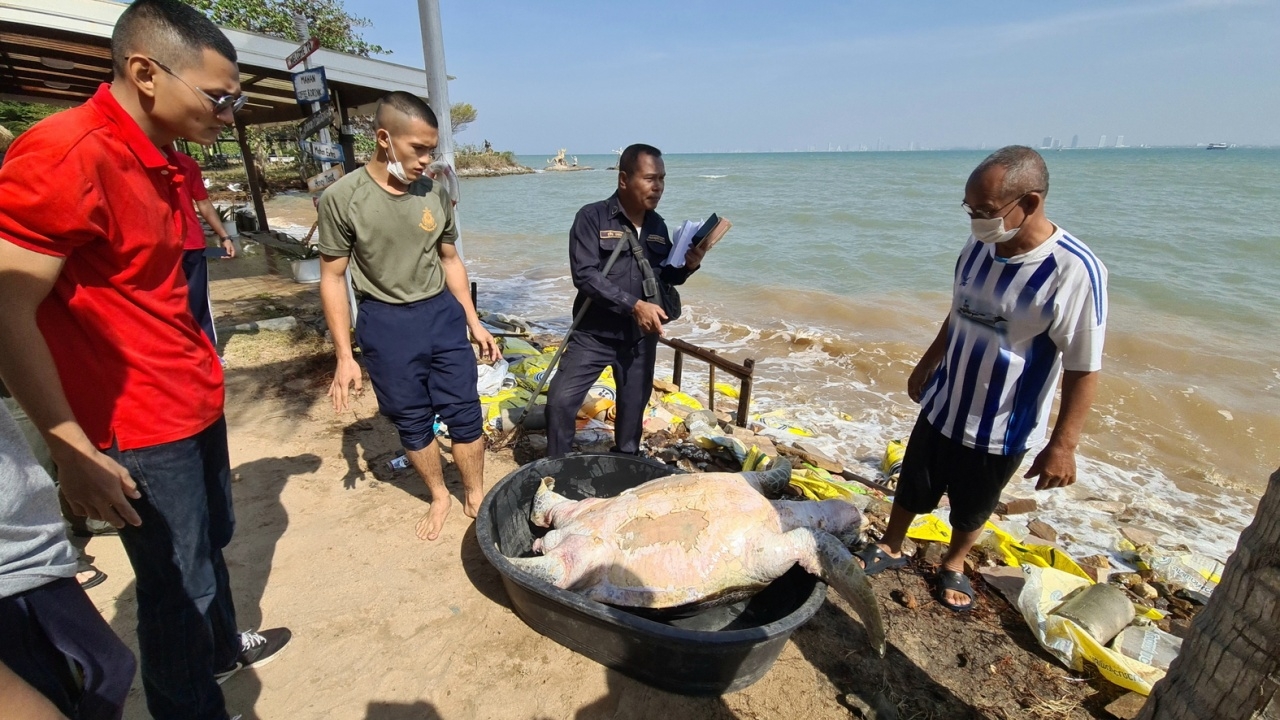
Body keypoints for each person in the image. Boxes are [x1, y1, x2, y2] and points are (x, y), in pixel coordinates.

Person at [0, 2, 290, 718]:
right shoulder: (68, 154)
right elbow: (7, 307)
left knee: (209, 547)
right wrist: (70, 448)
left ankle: (221, 650)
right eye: (219, 96)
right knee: (175, 592)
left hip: (194, 399)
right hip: (138, 425)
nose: (230, 112)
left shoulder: (169, 161)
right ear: (145, 73)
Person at [855, 146, 1108, 612]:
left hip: (1002, 423)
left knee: (975, 503)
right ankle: (892, 545)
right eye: (970, 210)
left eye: (986, 211)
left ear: (1029, 203)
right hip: (945, 399)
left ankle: (953, 564)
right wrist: (929, 360)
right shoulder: (979, 246)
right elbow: (959, 310)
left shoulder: (1073, 271)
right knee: (915, 480)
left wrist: (1064, 445)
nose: (976, 221)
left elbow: (1083, 364)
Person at [318, 91, 499, 542]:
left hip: (440, 314)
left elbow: (451, 260)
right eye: (418, 149)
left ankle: (474, 493)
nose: (426, 160)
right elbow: (332, 276)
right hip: (386, 323)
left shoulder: (434, 193)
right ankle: (439, 494)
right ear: (384, 139)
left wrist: (473, 322)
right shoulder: (343, 199)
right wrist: (344, 354)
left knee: (465, 411)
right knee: (413, 419)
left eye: (431, 150)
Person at [546, 144, 715, 458]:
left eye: (662, 179)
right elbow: (584, 275)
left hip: (638, 339)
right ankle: (556, 467)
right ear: (624, 179)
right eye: (650, 178)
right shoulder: (591, 217)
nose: (658, 187)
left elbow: (664, 277)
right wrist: (633, 305)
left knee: (632, 409)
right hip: (593, 333)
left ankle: (624, 465)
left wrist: (690, 263)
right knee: (560, 401)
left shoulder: (657, 226)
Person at [0, 401, 136, 720]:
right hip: (11, 567)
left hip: (28, 540)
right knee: (93, 681)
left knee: (111, 669)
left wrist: (73, 449)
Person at [173, 147, 237, 351]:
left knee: (196, 299)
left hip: (189, 243)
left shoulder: (186, 164)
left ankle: (207, 350)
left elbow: (203, 203)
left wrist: (225, 236)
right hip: (162, 247)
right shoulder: (131, 161)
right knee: (179, 301)